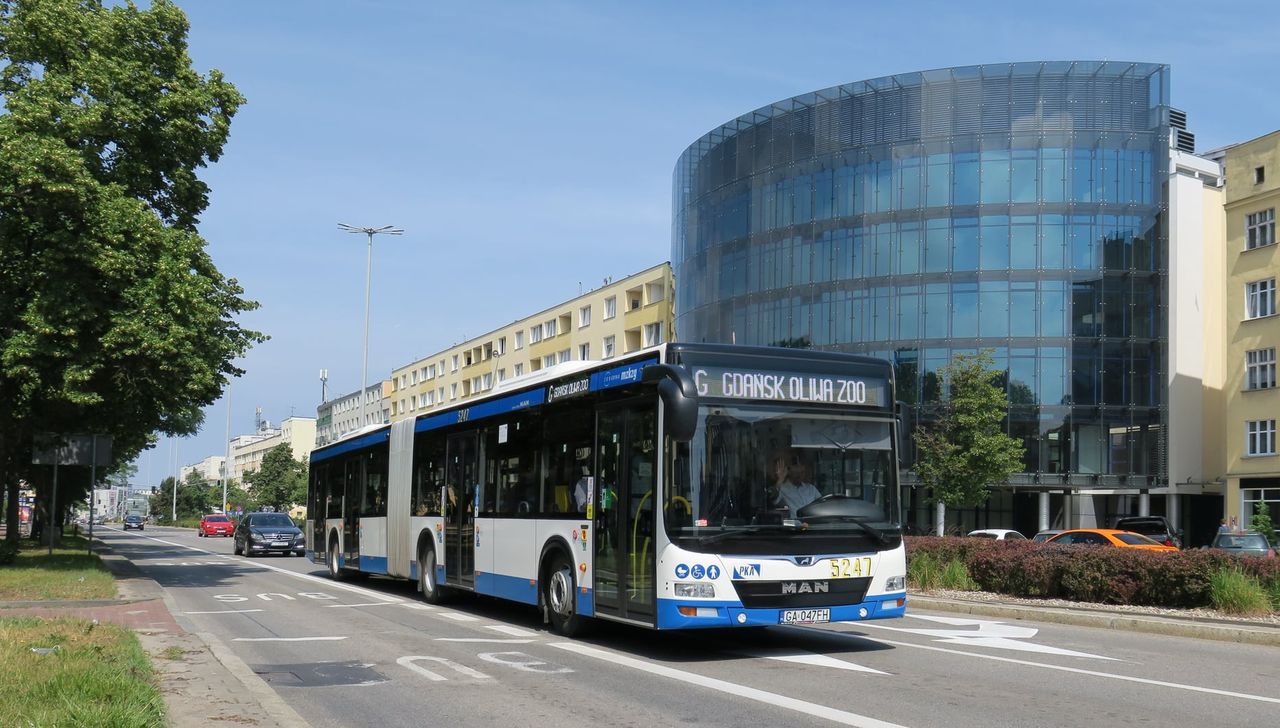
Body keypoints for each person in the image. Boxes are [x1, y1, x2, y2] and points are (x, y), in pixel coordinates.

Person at [768, 450, 821, 517]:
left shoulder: (811, 489)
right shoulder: (782, 488)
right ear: (788, 470)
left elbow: (823, 504)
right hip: (794, 526)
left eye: (802, 472)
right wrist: (780, 480)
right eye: (796, 467)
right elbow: (772, 498)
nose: (799, 471)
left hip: (814, 526)